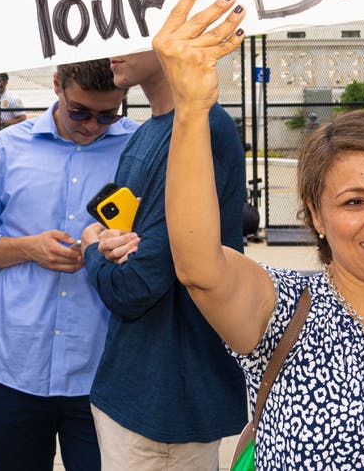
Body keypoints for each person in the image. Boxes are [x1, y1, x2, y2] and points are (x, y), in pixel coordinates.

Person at [153, 0, 364, 470]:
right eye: (354, 201)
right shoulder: (282, 311)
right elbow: (199, 265)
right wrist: (190, 111)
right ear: (316, 215)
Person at [0, 59, 138, 471]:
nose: (92, 125)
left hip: (102, 368)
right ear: (56, 84)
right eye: (79, 112)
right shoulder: (5, 148)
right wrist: (26, 248)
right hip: (14, 364)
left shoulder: (139, 149)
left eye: (108, 114)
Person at [79, 41, 247, 469]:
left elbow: (132, 285)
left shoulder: (201, 127)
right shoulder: (150, 131)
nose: (111, 46)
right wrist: (104, 243)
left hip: (169, 403)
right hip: (134, 390)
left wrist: (90, 248)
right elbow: (125, 251)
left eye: (129, 31)